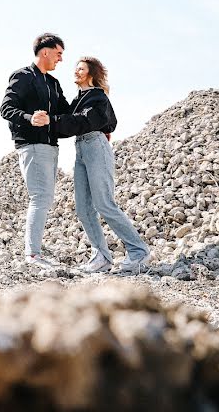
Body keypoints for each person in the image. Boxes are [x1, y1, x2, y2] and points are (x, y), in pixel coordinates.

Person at [39, 57, 151, 274]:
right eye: (75, 68)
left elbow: (85, 122)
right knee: (83, 208)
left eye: (81, 68)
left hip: (95, 146)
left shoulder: (97, 97)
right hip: (81, 148)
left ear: (91, 73)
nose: (76, 71)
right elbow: (68, 125)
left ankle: (139, 251)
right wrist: (46, 122)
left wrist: (53, 121)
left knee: (104, 203)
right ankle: (101, 256)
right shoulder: (79, 100)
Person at [0, 33, 71, 269]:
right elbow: (6, 108)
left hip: (51, 147)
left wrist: (94, 98)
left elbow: (67, 113)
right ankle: (32, 255)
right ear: (45, 52)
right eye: (59, 54)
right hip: (31, 145)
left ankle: (34, 253)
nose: (60, 59)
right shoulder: (22, 77)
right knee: (40, 197)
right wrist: (30, 118)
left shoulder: (53, 84)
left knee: (45, 198)